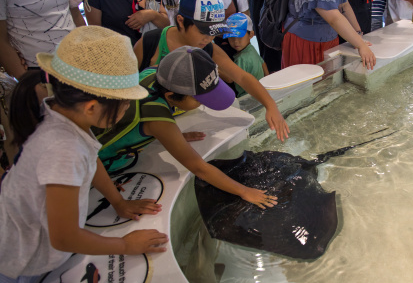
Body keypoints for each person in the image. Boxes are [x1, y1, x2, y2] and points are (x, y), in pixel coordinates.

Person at [0, 26, 168, 283]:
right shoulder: (62, 149)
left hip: (36, 251)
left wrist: (118, 201)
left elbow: (92, 159)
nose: (127, 108)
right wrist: (125, 245)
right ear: (92, 107)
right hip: (17, 267)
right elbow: (65, 237)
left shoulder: (65, 115)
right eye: (124, 102)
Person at [96, 45, 278, 209]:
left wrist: (174, 135)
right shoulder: (158, 120)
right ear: (171, 96)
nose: (202, 104)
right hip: (98, 163)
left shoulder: (154, 73)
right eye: (199, 99)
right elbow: (199, 168)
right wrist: (244, 191)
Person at [134, 0, 290, 141]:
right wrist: (164, 133)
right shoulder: (149, 43)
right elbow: (127, 93)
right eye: (203, 32)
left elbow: (241, 77)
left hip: (187, 120)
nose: (208, 39)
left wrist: (270, 106)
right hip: (149, 127)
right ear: (181, 21)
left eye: (213, 33)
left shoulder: (208, 48)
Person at [223, 13, 268, 97]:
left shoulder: (241, 58)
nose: (235, 41)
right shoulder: (251, 48)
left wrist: (216, 70)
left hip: (247, 96)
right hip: (262, 90)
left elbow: (230, 79)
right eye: (232, 37)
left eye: (239, 37)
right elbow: (263, 64)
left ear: (251, 35)